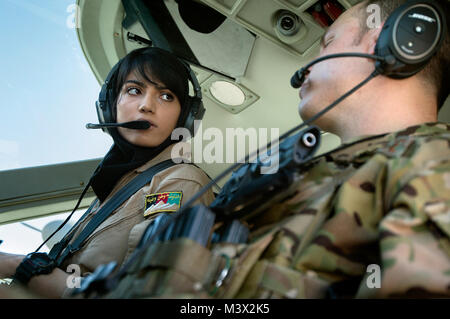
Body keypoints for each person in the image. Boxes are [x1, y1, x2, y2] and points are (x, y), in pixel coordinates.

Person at [93, 0, 450, 299]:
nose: (304, 69)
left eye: (326, 43)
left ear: (395, 42)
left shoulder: (437, 168)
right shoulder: (326, 178)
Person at [0, 47, 215, 298]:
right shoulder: (120, 184)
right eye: (134, 90)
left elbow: (138, 295)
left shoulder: (180, 181)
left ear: (186, 117)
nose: (146, 106)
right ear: (109, 104)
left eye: (166, 96)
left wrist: (18, 264)